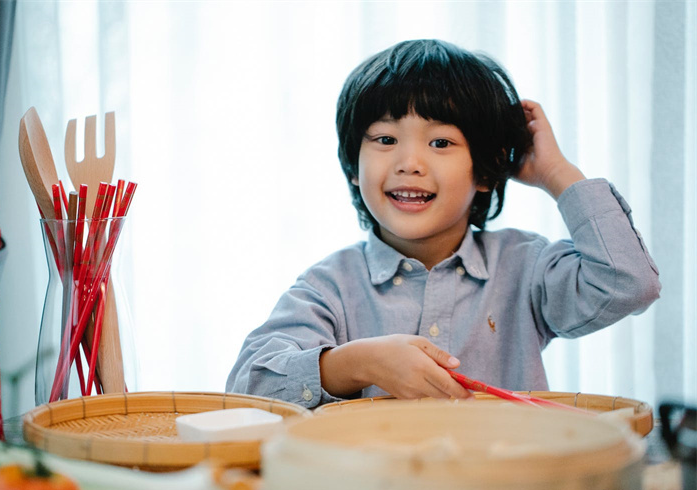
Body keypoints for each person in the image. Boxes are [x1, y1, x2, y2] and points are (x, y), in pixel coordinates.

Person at [225, 39, 661, 408]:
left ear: (487, 171)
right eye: (385, 139)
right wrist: (356, 363)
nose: (409, 163)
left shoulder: (526, 268)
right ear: (354, 167)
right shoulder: (330, 286)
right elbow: (248, 388)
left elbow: (629, 282)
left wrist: (556, 172)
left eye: (440, 142)